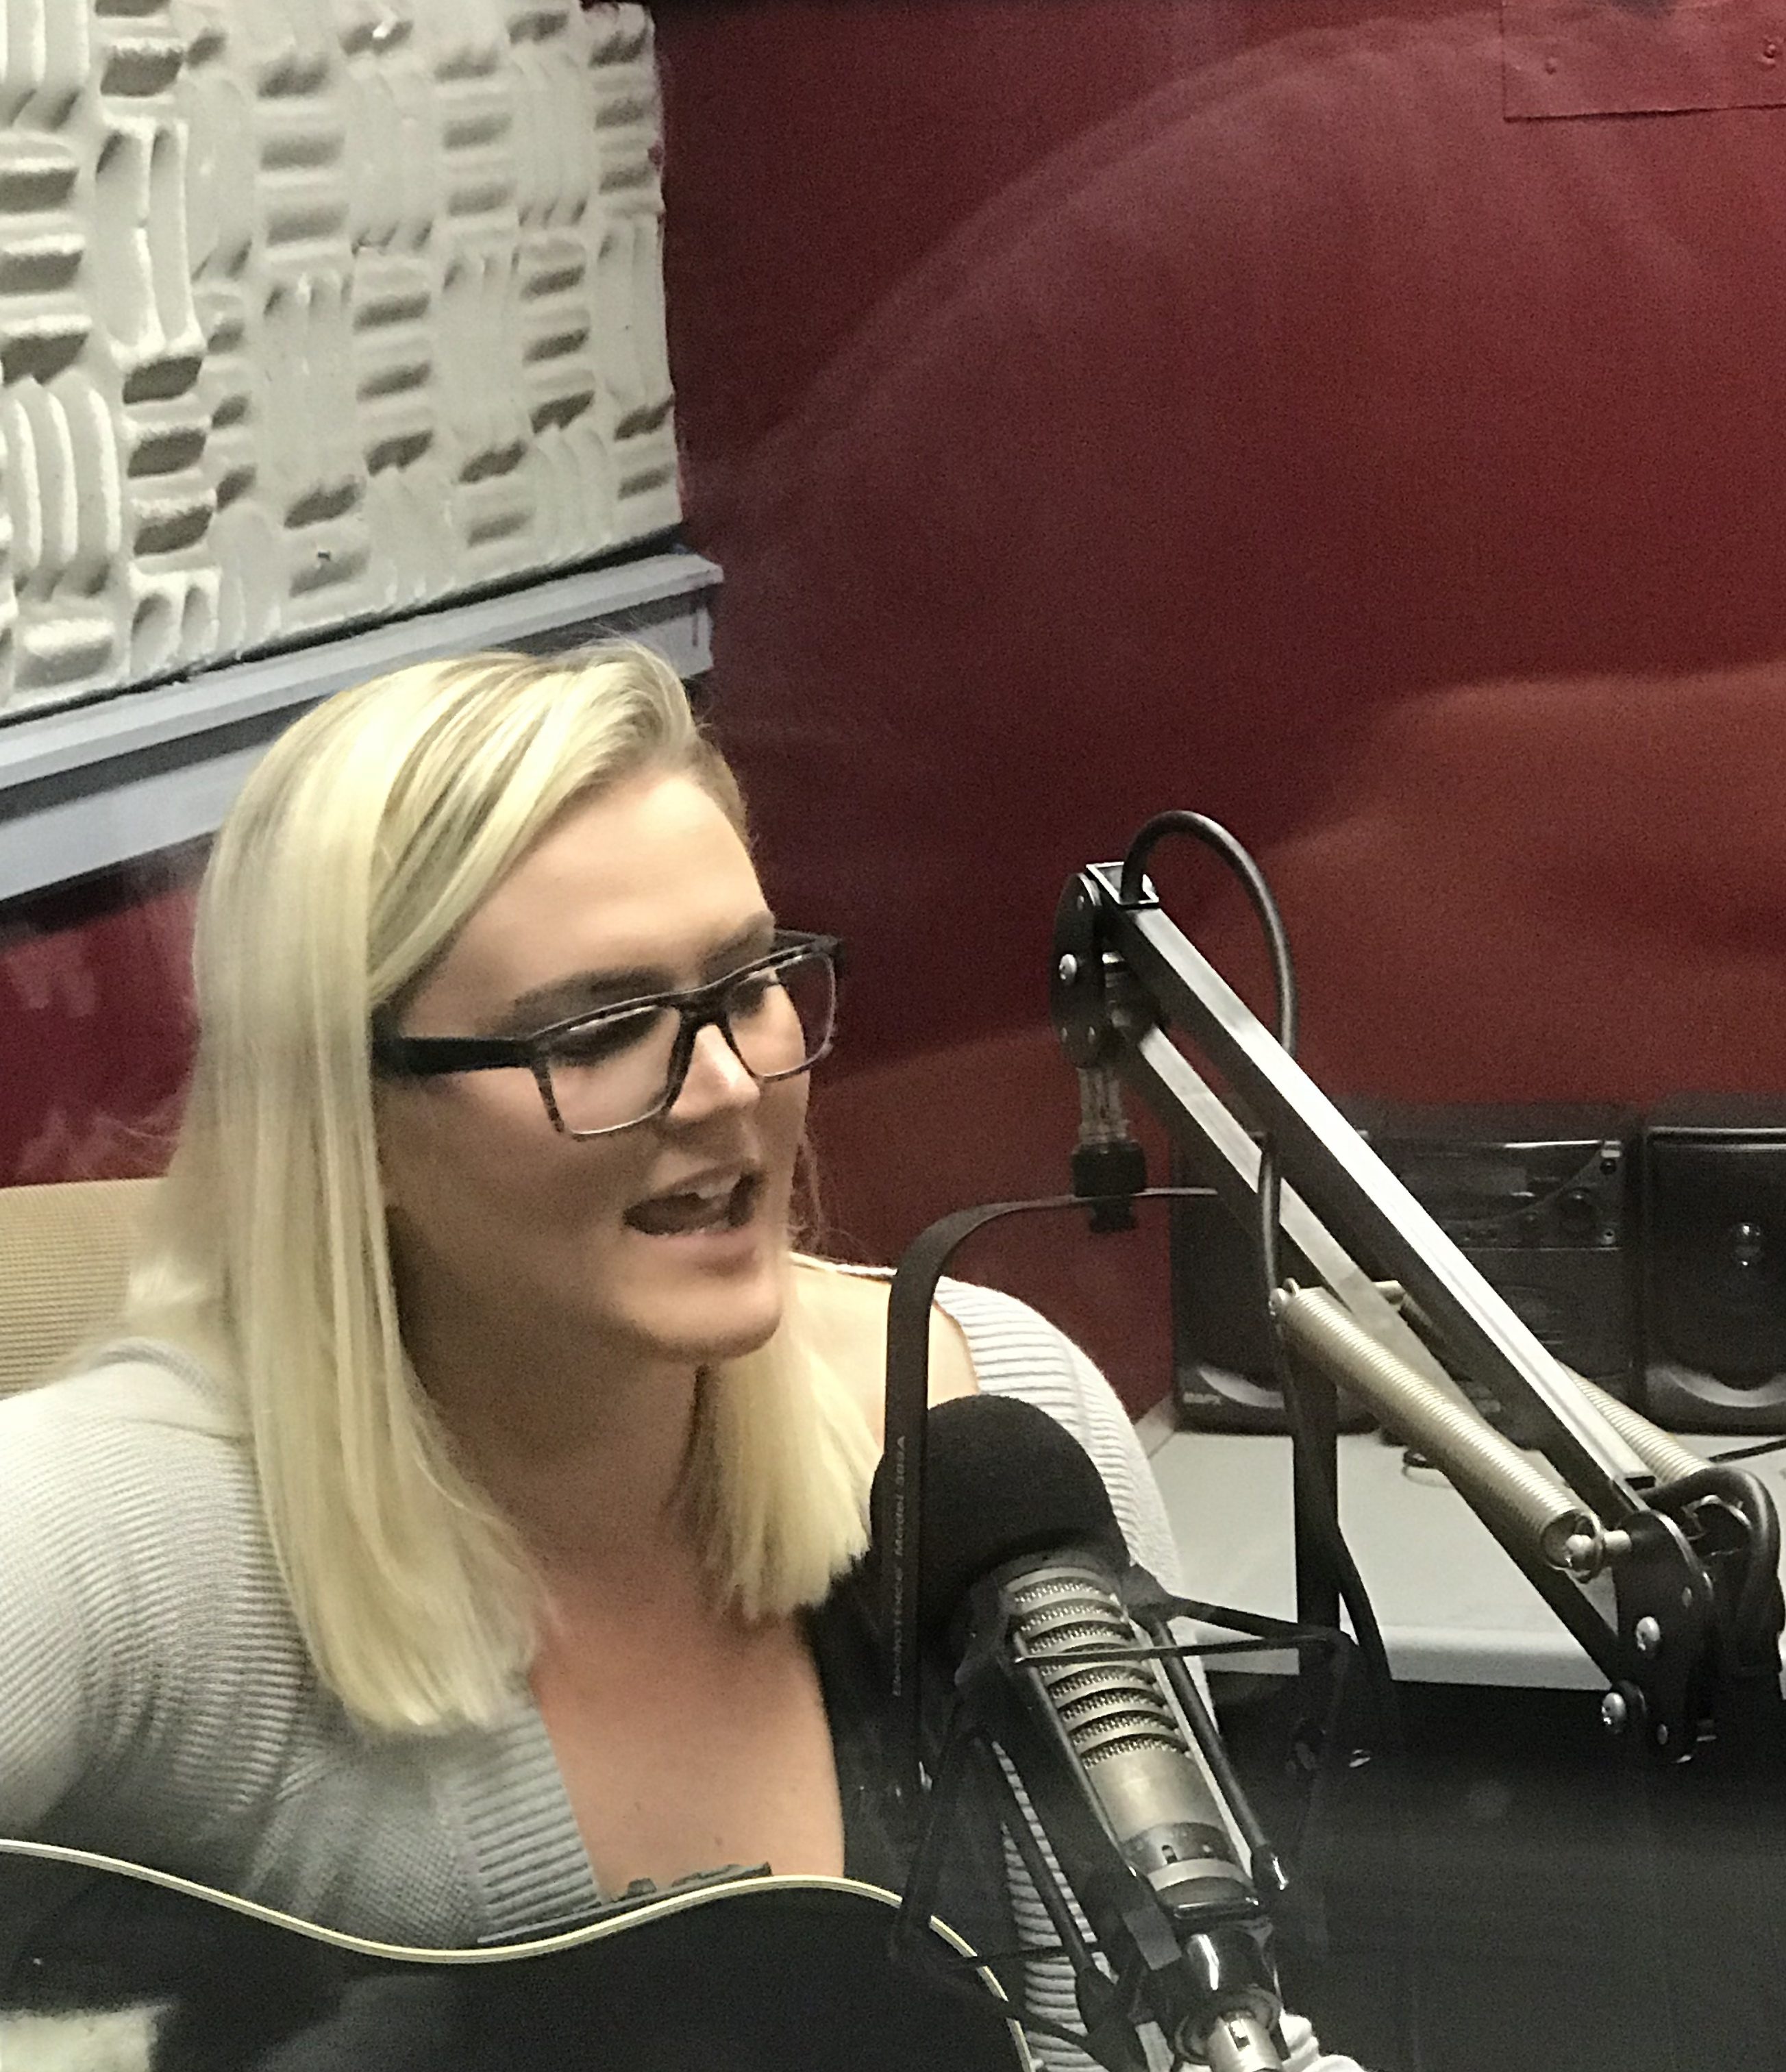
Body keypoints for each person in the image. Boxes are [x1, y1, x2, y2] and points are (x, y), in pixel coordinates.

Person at [0, 645, 1356, 2070]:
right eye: (597, 1029)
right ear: (352, 1117)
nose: (725, 1088)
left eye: (749, 983)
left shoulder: (982, 1413)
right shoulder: (140, 1532)